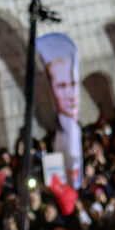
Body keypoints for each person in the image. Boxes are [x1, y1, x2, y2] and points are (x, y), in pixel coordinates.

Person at [36, 33, 83, 187]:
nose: (70, 95)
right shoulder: (53, 134)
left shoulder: (75, 132)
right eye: (62, 86)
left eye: (73, 84)